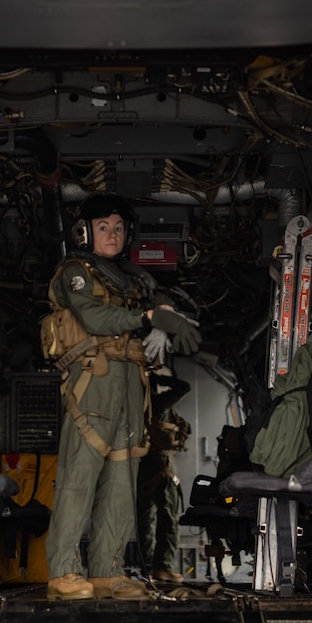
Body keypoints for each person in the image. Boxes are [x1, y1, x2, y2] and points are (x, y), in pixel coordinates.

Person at [42, 193, 201, 600]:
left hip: (132, 379)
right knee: (80, 474)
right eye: (102, 228)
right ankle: (63, 570)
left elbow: (157, 294)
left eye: (117, 228)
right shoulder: (75, 271)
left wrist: (163, 313)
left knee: (121, 478)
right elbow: (95, 317)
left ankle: (106, 571)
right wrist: (148, 318)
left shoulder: (131, 279)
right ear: (86, 232)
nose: (111, 235)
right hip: (94, 375)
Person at [137, 369, 191, 583]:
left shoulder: (137, 405)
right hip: (162, 466)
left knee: (145, 518)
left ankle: (147, 567)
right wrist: (159, 378)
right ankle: (163, 566)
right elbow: (184, 387)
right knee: (168, 517)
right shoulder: (158, 403)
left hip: (143, 466)